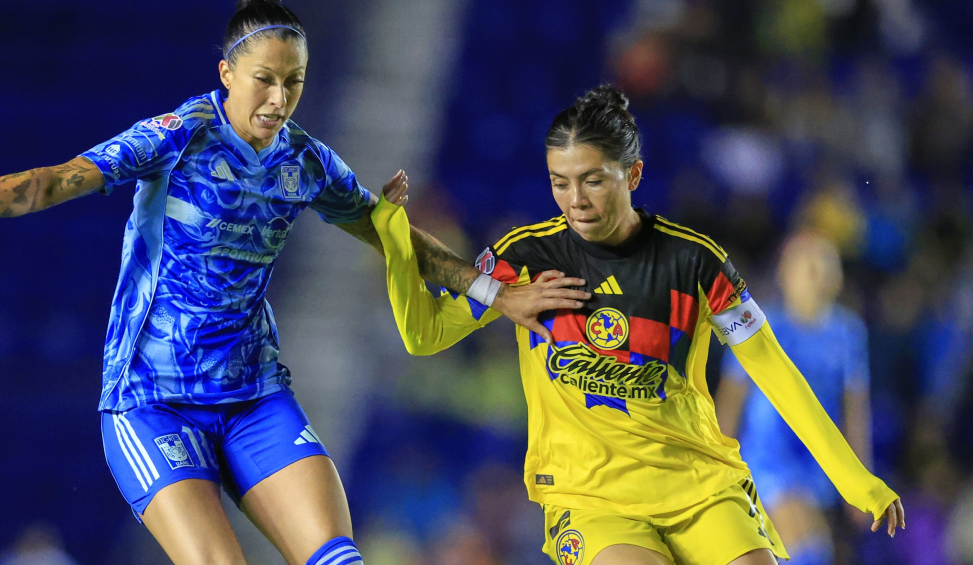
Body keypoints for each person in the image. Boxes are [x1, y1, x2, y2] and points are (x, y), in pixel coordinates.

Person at [0, 0, 580, 564]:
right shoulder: (179, 134)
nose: (279, 98)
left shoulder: (305, 162)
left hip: (254, 397)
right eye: (265, 79)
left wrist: (495, 293)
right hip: (153, 401)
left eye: (294, 82)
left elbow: (393, 237)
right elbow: (57, 180)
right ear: (226, 72)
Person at [370, 84, 904, 565]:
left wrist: (855, 481)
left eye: (592, 181)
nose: (575, 201)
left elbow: (776, 372)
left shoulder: (696, 262)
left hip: (699, 485)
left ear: (633, 174)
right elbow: (425, 334)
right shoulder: (526, 257)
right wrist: (395, 239)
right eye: (560, 183)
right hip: (589, 500)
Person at [715, 232, 872, 565]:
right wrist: (718, 467)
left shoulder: (848, 332)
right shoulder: (757, 324)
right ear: (784, 274)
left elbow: (854, 408)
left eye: (824, 265)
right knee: (802, 540)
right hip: (768, 454)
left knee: (807, 546)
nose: (815, 274)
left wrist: (862, 479)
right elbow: (731, 399)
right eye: (806, 266)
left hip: (816, 457)